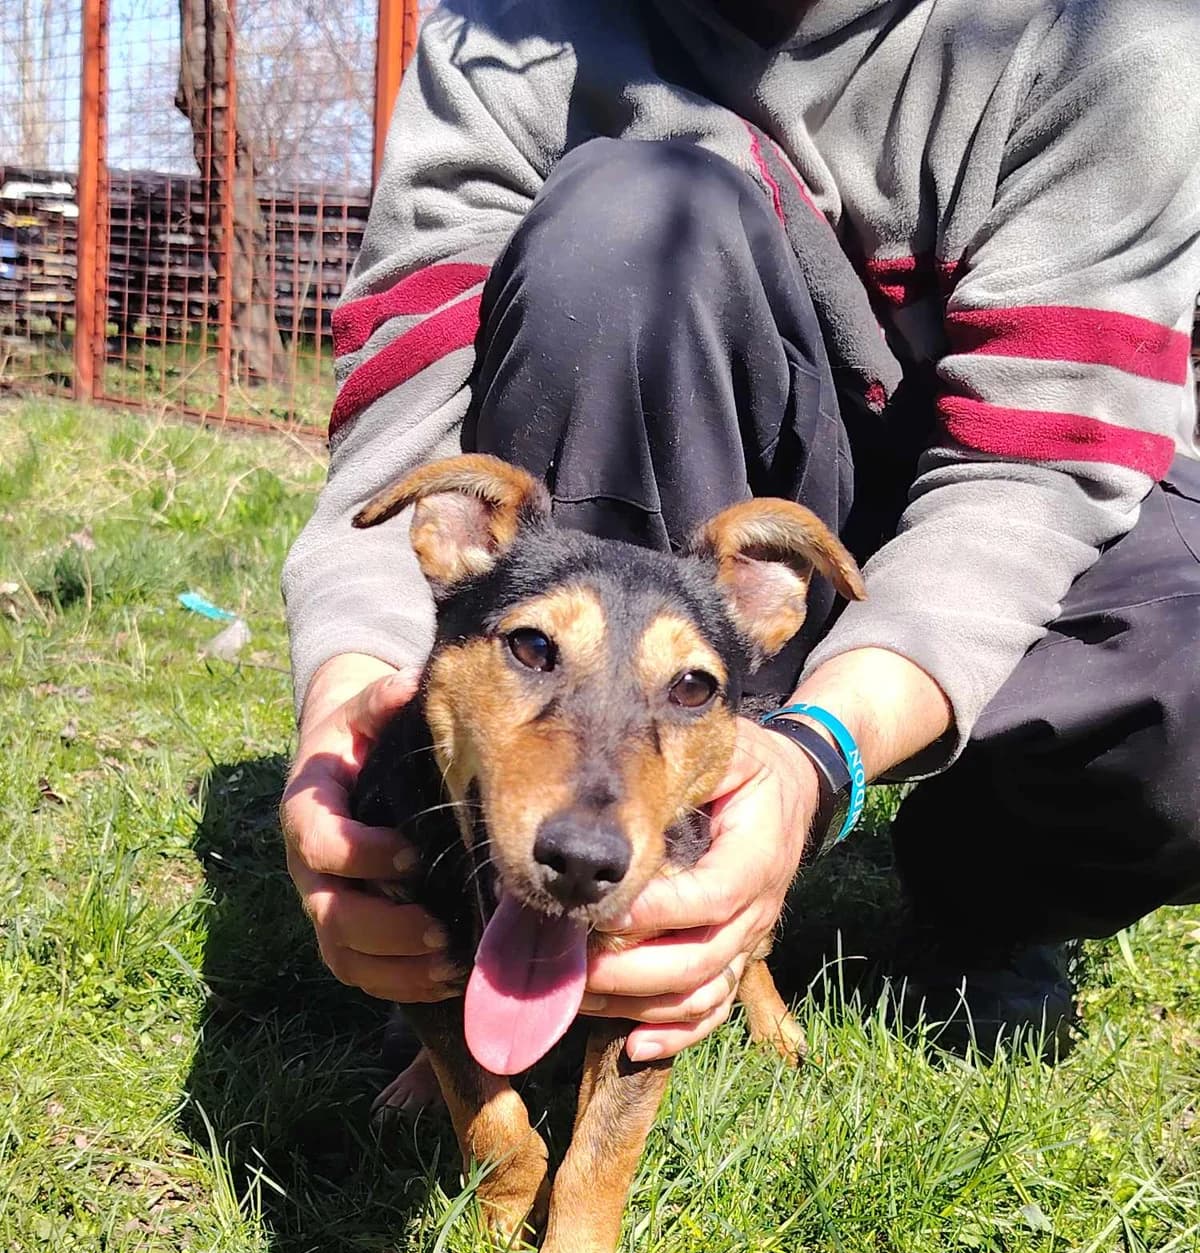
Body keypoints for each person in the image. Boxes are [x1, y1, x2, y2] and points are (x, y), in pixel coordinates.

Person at [280, 0, 1200, 1076]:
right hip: (645, 570)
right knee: (629, 214)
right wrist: (348, 727)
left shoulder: (1108, 32)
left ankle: (984, 893)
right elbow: (406, 445)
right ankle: (483, 883)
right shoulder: (509, 25)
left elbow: (1036, 473)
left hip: (985, 512)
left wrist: (816, 760)